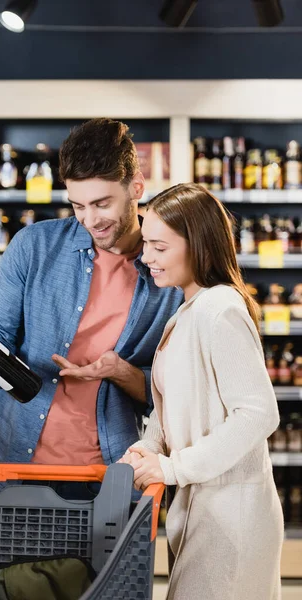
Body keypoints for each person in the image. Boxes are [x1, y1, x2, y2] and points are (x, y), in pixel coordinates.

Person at [0, 118, 183, 497]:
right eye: (78, 205)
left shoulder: (170, 272)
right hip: (8, 462)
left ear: (136, 186)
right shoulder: (33, 246)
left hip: (109, 474)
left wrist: (121, 372)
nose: (90, 219)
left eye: (102, 203)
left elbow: (176, 394)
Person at [119, 183, 283, 599]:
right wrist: (149, 446)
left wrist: (172, 468)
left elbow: (258, 412)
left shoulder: (220, 309)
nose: (146, 257)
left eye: (159, 246)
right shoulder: (190, 308)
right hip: (203, 508)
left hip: (232, 518)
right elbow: (174, 399)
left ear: (198, 245)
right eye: (146, 243)